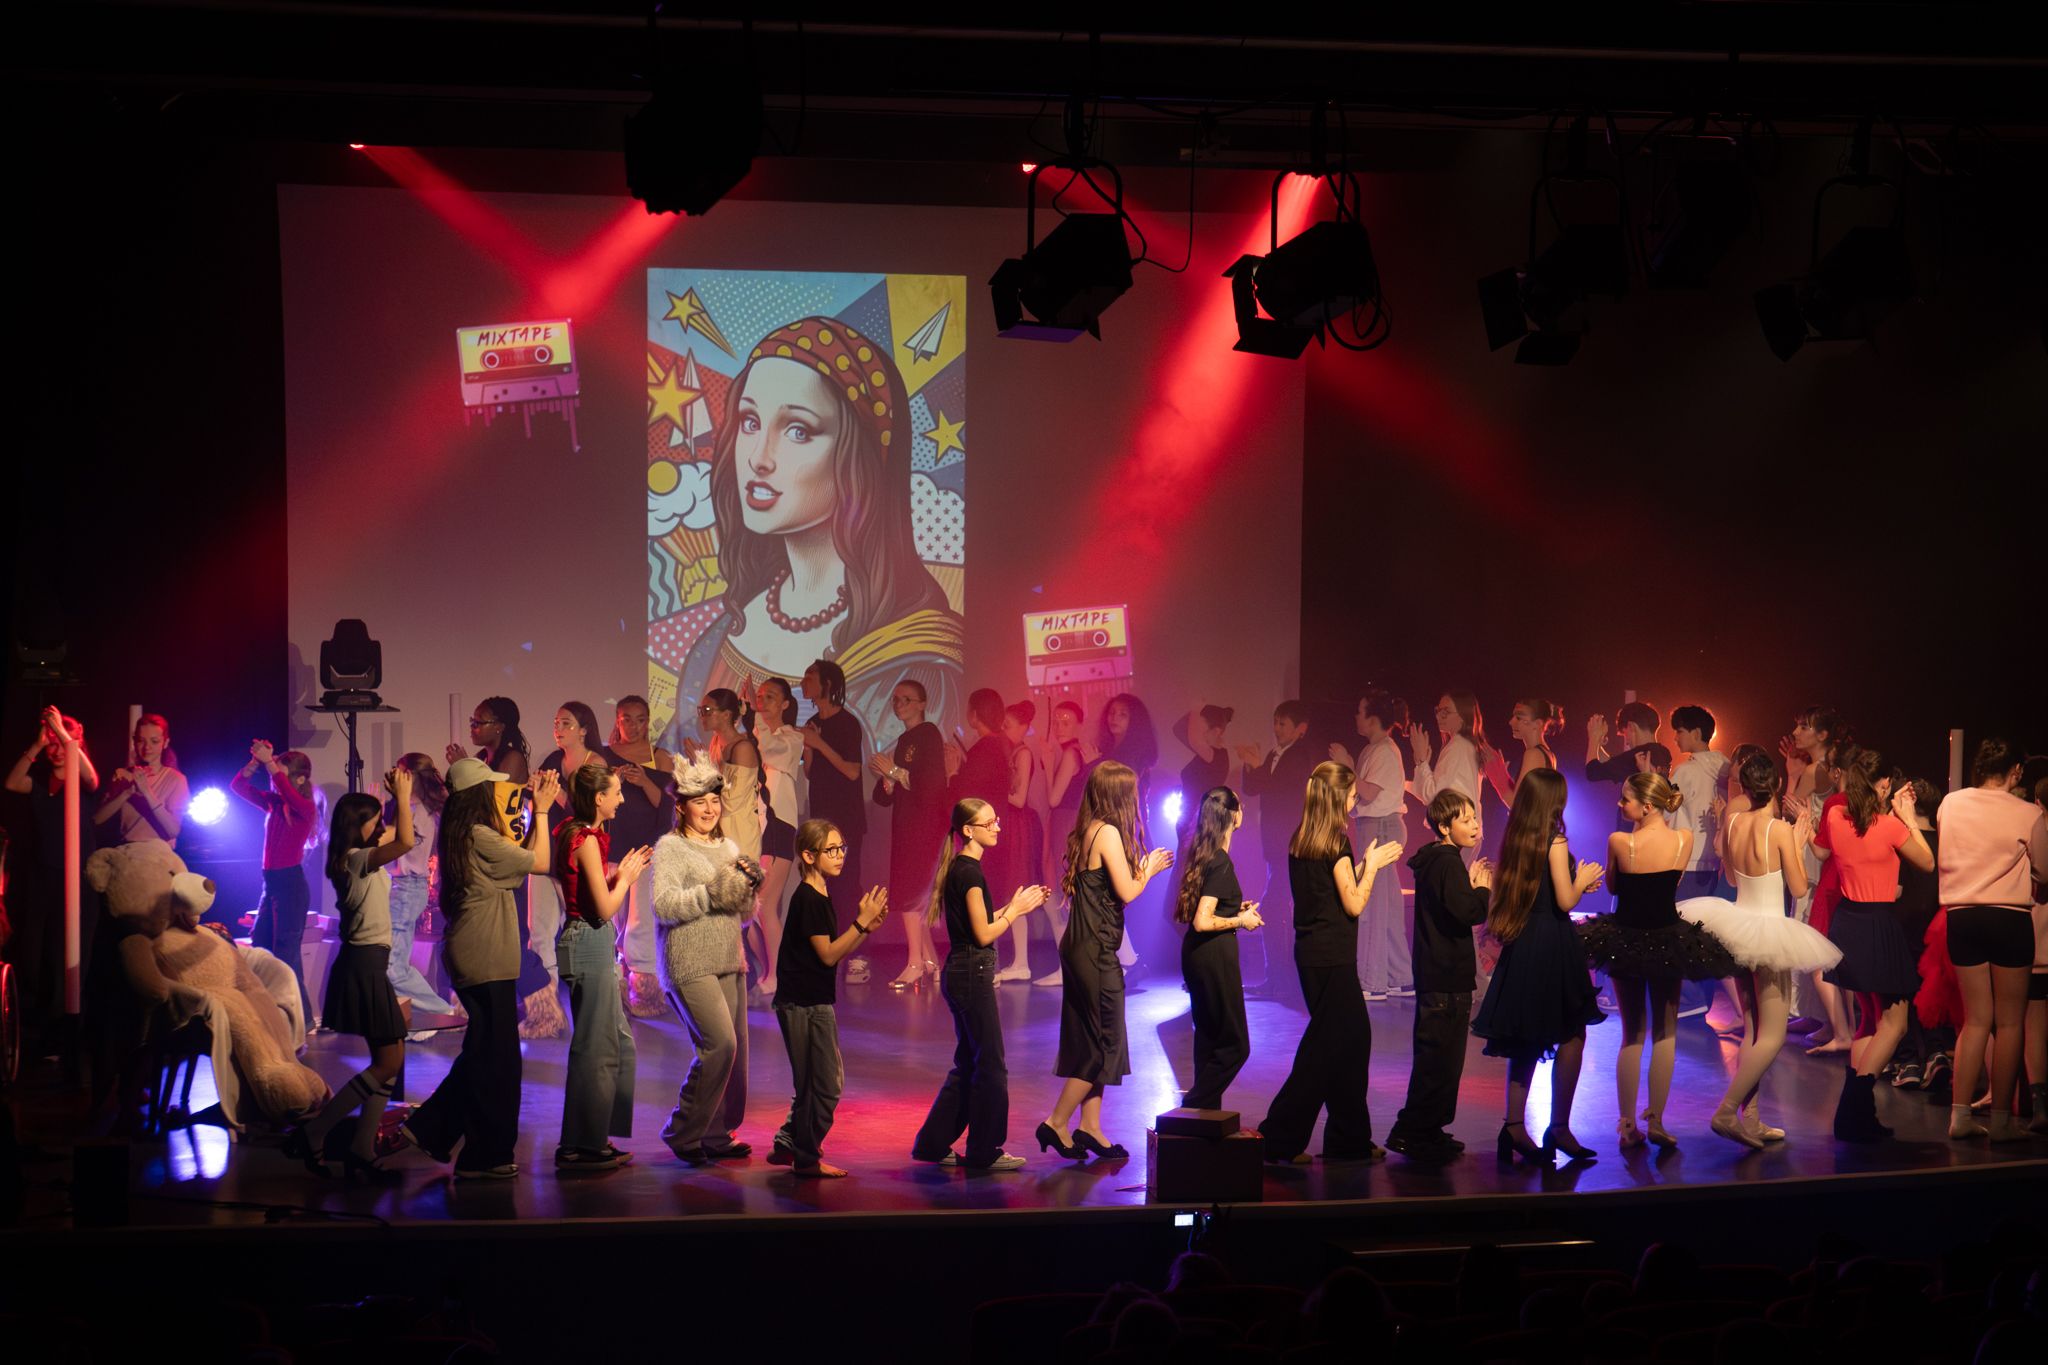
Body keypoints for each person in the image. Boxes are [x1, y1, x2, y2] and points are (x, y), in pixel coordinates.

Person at [675, 314, 965, 748]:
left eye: (798, 430)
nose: (758, 458)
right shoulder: (725, 634)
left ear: (859, 455)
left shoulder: (920, 656)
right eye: (750, 422)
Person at [394, 759, 560, 1179]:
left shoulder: (465, 832)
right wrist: (541, 809)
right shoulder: (479, 836)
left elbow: (521, 858)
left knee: (485, 1053)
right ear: (478, 794)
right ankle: (483, 1157)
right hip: (484, 953)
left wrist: (529, 810)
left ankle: (432, 1129)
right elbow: (540, 862)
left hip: (480, 950)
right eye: (492, 788)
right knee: (498, 1063)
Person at [1678, 751, 1839, 1149]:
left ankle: (1749, 1118)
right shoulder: (1779, 829)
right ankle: (1727, 1111)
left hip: (1737, 926)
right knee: (1774, 1035)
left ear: (1745, 788)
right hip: (1766, 933)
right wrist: (1797, 843)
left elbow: (1733, 879)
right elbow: (1798, 888)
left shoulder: (1734, 821)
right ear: (1777, 785)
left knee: (1753, 1031)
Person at [1578, 772, 1738, 1149]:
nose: (1620, 804)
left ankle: (1627, 1124)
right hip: (1668, 939)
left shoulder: (1620, 841)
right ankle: (1657, 1121)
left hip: (1627, 938)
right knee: (1666, 1033)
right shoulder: (1683, 839)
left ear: (1647, 806)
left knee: (1632, 1034)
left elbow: (1615, 886)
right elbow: (1672, 882)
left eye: (1626, 799)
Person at [1258, 761, 1401, 1164]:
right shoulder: (1336, 842)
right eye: (1352, 796)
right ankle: (1279, 1138)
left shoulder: (1303, 838)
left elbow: (1331, 889)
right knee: (1325, 1050)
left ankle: (1348, 1139)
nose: (1355, 802)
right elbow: (1352, 903)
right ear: (1337, 798)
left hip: (1313, 954)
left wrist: (1362, 866)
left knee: (1350, 1042)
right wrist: (1372, 868)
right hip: (1332, 956)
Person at [1471, 768, 1607, 1163]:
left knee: (1525, 1037)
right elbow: (1564, 901)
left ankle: (1513, 1127)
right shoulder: (1555, 840)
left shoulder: (1518, 838)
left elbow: (1541, 891)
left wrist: (1576, 882)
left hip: (1525, 943)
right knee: (1572, 1032)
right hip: (1552, 943)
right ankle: (1559, 1127)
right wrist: (1582, 879)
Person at [290, 768, 417, 1179]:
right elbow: (405, 841)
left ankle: (361, 1147)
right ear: (356, 826)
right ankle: (317, 1132)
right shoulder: (357, 860)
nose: (380, 827)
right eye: (373, 822)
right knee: (388, 1061)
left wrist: (393, 801)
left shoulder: (353, 857)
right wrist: (402, 796)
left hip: (368, 963)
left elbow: (398, 833)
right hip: (363, 965)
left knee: (390, 1060)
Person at [1041, 761, 1171, 1162]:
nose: (1139, 799)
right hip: (1094, 950)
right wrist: (1148, 869)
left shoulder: (1090, 829)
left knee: (1093, 1038)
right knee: (1103, 1044)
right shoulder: (1109, 833)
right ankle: (1056, 1122)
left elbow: (1108, 896)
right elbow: (1128, 891)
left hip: (1084, 945)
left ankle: (1090, 1126)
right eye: (1134, 792)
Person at [912, 798, 1046, 1171]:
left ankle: (932, 1143)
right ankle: (984, 1151)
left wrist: (1016, 905)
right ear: (969, 831)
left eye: (996, 820)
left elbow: (979, 924)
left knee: (970, 1064)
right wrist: (1015, 911)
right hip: (971, 974)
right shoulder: (969, 873)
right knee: (990, 1066)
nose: (998, 827)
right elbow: (984, 934)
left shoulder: (963, 868)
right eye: (990, 823)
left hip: (963, 972)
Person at [652, 754, 763, 1164]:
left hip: (729, 959)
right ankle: (682, 1131)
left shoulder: (728, 847)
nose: (710, 808)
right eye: (700, 801)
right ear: (682, 806)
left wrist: (749, 889)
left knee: (736, 1055)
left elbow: (743, 913)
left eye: (714, 800)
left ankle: (715, 1133)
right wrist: (710, 893)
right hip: (688, 961)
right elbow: (664, 905)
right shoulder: (671, 848)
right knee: (719, 1044)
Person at [1936, 737, 2048, 1141]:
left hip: (1961, 917)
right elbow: (2044, 871)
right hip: (2008, 917)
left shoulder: (1951, 803)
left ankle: (1960, 1116)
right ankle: (2001, 1121)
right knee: (2010, 1021)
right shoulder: (2028, 812)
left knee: (1975, 1019)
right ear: (2016, 771)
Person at [1821, 745, 1935, 1141]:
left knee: (1869, 1021)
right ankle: (1851, 1107)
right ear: (1883, 784)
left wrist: (1888, 808)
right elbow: (1927, 862)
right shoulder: (1889, 826)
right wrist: (1908, 818)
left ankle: (1859, 1117)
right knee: (1896, 1023)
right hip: (1877, 925)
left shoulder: (1835, 817)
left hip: (1848, 923)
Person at [768, 819, 889, 1177]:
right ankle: (806, 1157)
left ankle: (790, 1143)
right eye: (831, 850)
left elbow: (832, 952)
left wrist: (866, 928)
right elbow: (828, 955)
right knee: (823, 1086)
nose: (839, 856)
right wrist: (860, 923)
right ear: (809, 855)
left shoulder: (820, 894)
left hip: (812, 1001)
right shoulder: (808, 898)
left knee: (815, 1083)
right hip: (802, 1005)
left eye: (841, 848)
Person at [552, 760, 652, 1172]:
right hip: (588, 942)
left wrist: (619, 878)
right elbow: (605, 909)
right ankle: (581, 1145)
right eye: (617, 792)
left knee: (617, 1043)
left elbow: (592, 899)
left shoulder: (577, 832)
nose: (622, 799)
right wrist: (626, 878)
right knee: (596, 1048)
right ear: (598, 799)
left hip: (590, 940)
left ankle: (592, 1136)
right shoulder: (585, 839)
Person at [1386, 790, 1492, 1164]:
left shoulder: (1437, 860)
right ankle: (1412, 1132)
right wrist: (1482, 889)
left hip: (1438, 973)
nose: (1475, 825)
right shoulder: (1447, 863)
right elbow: (1469, 912)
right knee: (1439, 1062)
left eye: (1474, 817)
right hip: (1445, 977)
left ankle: (1428, 1130)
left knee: (1441, 1061)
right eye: (1466, 819)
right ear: (1445, 827)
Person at [4, 707, 101, 1044]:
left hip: (77, 879)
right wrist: (37, 743)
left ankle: (67, 1036)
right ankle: (42, 1028)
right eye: (52, 745)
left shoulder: (81, 779)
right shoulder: (41, 781)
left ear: (76, 742)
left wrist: (61, 731)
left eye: (62, 743)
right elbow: (12, 782)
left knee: (69, 959)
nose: (56, 750)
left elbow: (92, 779)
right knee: (34, 953)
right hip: (44, 878)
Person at [528, 702, 621, 1039]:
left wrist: (553, 795)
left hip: (578, 855)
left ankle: (606, 1000)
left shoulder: (595, 763)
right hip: (547, 853)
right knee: (540, 930)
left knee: (587, 924)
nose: (558, 729)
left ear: (583, 730)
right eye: (556, 722)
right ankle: (545, 1010)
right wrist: (536, 792)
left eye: (566, 723)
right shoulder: (553, 761)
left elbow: (589, 813)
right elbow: (538, 804)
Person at [1174, 786, 1265, 1111]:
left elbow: (1206, 908)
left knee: (1209, 1040)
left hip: (1198, 956)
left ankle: (1202, 1120)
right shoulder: (1221, 862)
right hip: (1213, 958)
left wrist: (1233, 909)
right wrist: (1241, 921)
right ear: (1233, 816)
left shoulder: (1205, 853)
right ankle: (1191, 1109)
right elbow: (1202, 920)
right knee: (1235, 1046)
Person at [230, 740, 319, 1025]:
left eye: (279, 774)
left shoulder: (304, 807)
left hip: (290, 886)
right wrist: (255, 763)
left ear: (300, 779)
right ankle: (275, 1013)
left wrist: (270, 764)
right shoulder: (275, 803)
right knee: (260, 946)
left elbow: (289, 794)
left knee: (286, 955)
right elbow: (238, 786)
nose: (273, 780)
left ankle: (302, 1020)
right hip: (271, 886)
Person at [1237, 700, 1319, 999]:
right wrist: (1251, 764)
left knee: (1275, 907)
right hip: (1275, 845)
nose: (1276, 728)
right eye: (1275, 722)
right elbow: (1253, 787)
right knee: (1277, 908)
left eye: (1283, 723)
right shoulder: (1275, 753)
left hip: (1293, 846)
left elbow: (1281, 787)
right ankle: (1279, 979)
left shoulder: (1301, 755)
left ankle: (1281, 979)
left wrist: (1258, 765)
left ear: (1300, 728)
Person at [869, 678, 948, 988]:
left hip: (923, 826)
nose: (899, 705)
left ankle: (915, 961)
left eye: (906, 699)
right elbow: (885, 795)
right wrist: (888, 779)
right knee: (911, 894)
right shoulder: (904, 740)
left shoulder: (928, 734)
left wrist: (894, 772)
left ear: (922, 704)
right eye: (896, 700)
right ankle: (929, 960)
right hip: (906, 824)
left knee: (911, 894)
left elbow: (931, 785)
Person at [1338, 690, 1411, 1001]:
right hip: (1374, 826)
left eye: (1360, 711)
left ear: (1372, 718)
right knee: (1388, 908)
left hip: (1380, 828)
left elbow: (1367, 793)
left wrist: (1346, 765)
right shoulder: (1375, 749)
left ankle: (1373, 982)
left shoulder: (1384, 751)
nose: (1356, 716)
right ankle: (1400, 978)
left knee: (1373, 906)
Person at [607, 695, 676, 1018]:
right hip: (613, 846)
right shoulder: (605, 754)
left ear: (648, 722)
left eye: (640, 719)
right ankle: (616, 985)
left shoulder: (659, 756)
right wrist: (614, 781)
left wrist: (644, 780)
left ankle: (646, 991)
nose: (633, 726)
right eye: (626, 719)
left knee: (641, 922)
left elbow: (669, 808)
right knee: (613, 918)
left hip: (647, 847)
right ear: (617, 720)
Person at [799, 659, 868, 974]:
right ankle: (828, 952)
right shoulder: (813, 722)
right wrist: (809, 748)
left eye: (810, 676)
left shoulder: (848, 723)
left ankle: (856, 955)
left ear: (827, 684)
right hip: (820, 817)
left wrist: (819, 743)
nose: (804, 681)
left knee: (847, 887)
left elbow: (852, 771)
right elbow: (811, 773)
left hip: (847, 818)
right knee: (821, 886)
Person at [384, 752, 457, 1024]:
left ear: (414, 776)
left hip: (407, 887)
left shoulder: (420, 812)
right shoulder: (410, 808)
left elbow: (395, 845)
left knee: (393, 967)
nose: (395, 774)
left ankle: (442, 1010)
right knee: (393, 963)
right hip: (402, 888)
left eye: (402, 770)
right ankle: (409, 1017)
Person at [748, 674, 805, 999]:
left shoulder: (792, 737)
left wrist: (754, 718)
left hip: (779, 825)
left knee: (766, 904)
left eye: (770, 697)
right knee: (751, 908)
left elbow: (769, 749)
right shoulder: (752, 736)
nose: (762, 702)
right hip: (755, 827)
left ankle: (779, 974)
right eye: (759, 697)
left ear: (785, 704)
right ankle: (769, 969)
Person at [1033, 700, 1092, 989]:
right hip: (1067, 823)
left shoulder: (1070, 753)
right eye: (1056, 721)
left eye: (1066, 721)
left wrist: (1046, 765)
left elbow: (1054, 798)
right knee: (1059, 895)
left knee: (1057, 894)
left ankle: (1067, 967)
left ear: (1079, 724)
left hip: (1064, 824)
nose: (1058, 726)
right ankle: (1070, 966)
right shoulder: (1076, 751)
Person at [996, 699, 1052, 983]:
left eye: (1007, 725)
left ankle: (1021, 962)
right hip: (1010, 824)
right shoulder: (1009, 751)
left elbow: (1018, 799)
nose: (1003, 729)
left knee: (1015, 890)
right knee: (1009, 893)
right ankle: (1019, 961)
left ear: (1023, 727)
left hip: (1018, 825)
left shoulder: (1023, 753)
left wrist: (992, 788)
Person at [93, 713, 189, 847]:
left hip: (158, 852)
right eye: (141, 741)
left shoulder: (176, 779)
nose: (147, 747)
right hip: (127, 850)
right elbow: (97, 819)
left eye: (154, 741)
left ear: (165, 743)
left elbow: (173, 830)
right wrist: (127, 792)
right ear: (134, 741)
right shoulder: (123, 775)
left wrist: (147, 792)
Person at [1668, 706, 1730, 901]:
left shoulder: (1685, 771)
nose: (1675, 738)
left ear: (1695, 733)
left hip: (1686, 861)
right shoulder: (1726, 768)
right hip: (1715, 862)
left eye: (1679, 731)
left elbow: (1666, 810)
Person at [1479, 698, 1563, 809]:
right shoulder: (1548, 755)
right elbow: (1531, 802)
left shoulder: (1534, 754)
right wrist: (1503, 775)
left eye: (1519, 717)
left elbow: (1518, 805)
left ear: (1537, 724)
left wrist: (1496, 773)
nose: (1511, 722)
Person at [1175, 704, 1234, 835]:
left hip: (1198, 826)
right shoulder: (1206, 755)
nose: (1197, 731)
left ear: (1216, 731)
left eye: (1201, 727)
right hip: (1192, 824)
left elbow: (1192, 739)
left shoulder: (1215, 756)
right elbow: (1178, 730)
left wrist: (1196, 707)